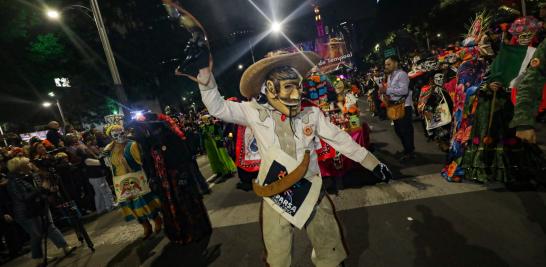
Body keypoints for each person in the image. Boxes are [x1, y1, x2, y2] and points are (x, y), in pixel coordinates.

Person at [180, 47, 392, 266]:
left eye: (298, 87)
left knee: (329, 246)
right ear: (270, 88)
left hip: (312, 191)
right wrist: (204, 76)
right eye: (289, 87)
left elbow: (340, 139)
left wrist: (373, 164)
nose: (296, 94)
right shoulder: (254, 112)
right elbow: (218, 107)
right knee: (277, 254)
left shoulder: (311, 114)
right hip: (275, 195)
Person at [5, 157, 74, 266]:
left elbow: (40, 189)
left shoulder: (32, 175)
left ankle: (65, 247)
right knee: (36, 235)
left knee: (50, 227)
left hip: (39, 206)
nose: (31, 164)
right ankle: (39, 259)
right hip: (26, 212)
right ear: (20, 167)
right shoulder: (14, 182)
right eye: (28, 163)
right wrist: (41, 189)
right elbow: (24, 197)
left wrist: (48, 190)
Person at [103, 125, 163, 239]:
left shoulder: (132, 144)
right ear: (111, 136)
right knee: (131, 205)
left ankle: (157, 220)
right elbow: (108, 165)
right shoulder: (108, 149)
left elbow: (141, 160)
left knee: (144, 202)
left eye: (121, 133)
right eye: (116, 134)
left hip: (135, 178)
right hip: (120, 180)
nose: (120, 136)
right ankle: (145, 225)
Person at [379, 56, 416, 161]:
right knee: (398, 130)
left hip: (404, 106)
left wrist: (387, 91)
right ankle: (407, 149)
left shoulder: (402, 74)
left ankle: (410, 152)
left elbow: (404, 90)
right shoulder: (390, 76)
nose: (386, 66)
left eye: (388, 64)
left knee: (405, 131)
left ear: (395, 64)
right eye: (385, 64)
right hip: (395, 106)